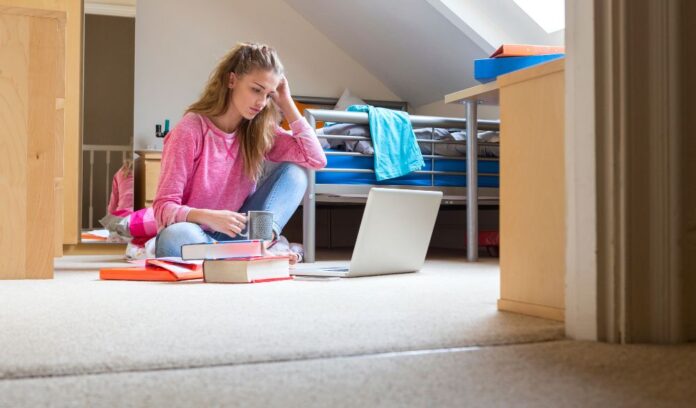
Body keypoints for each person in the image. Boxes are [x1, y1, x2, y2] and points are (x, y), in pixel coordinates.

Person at [153, 43, 327, 261]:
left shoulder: (259, 130)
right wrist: (209, 217)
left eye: (268, 94)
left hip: (238, 234)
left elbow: (316, 159)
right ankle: (249, 254)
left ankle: (259, 244)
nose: (261, 103)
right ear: (232, 80)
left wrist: (286, 102)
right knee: (175, 236)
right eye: (256, 90)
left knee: (296, 173)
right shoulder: (190, 130)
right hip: (194, 233)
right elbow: (163, 207)